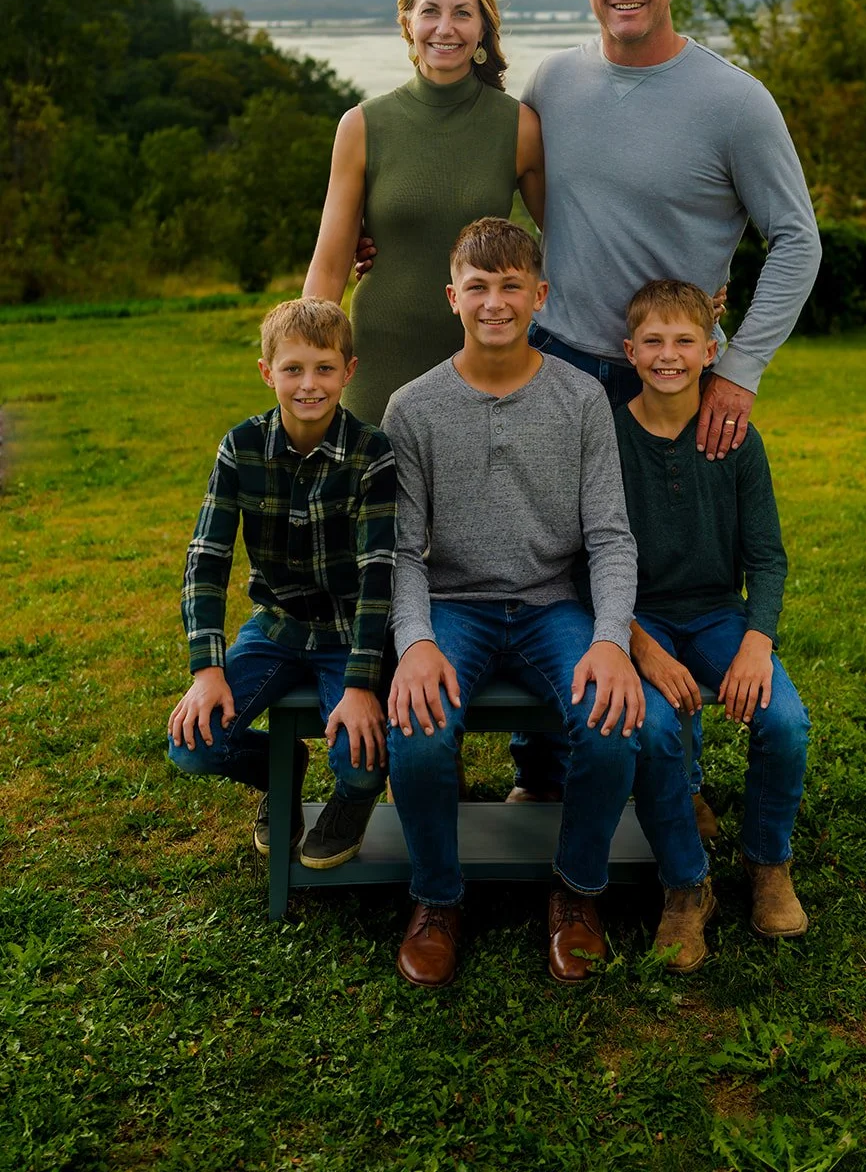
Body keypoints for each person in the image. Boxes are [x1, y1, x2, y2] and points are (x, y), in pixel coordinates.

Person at [511, 0, 821, 805]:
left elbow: (796, 239)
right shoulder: (553, 82)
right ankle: (547, 768)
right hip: (561, 365)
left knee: (673, 571)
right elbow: (495, 186)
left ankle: (671, 779)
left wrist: (742, 365)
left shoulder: (731, 100)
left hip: (676, 378)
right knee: (547, 571)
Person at [381, 218, 714, 987]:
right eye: (477, 287)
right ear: (451, 298)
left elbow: (609, 536)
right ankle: (436, 899)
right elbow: (400, 549)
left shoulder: (581, 398)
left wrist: (606, 639)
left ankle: (575, 890)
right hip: (453, 602)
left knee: (609, 719)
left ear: (539, 295)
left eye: (509, 288)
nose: (493, 303)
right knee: (420, 730)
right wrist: (417, 640)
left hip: (551, 603)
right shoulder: (413, 407)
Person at [167, 298, 396, 870]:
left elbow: (378, 575)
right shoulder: (240, 447)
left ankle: (350, 802)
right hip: (277, 628)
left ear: (349, 371)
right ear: (268, 372)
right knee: (194, 743)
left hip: (348, 635)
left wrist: (363, 683)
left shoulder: (372, 453)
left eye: (324, 368)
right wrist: (207, 670)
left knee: (365, 761)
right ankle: (282, 770)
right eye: (293, 369)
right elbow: (206, 559)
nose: (309, 385)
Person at [617, 278, 810, 938]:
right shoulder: (606, 440)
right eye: (652, 342)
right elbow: (583, 561)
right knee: (652, 731)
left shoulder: (735, 440)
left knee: (783, 722)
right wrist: (640, 646)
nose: (667, 355)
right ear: (629, 351)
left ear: (709, 352)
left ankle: (767, 865)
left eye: (683, 341)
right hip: (635, 617)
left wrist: (756, 642)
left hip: (717, 614)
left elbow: (768, 560)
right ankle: (685, 884)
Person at [303, 0, 545, 426]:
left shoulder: (518, 126)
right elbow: (330, 265)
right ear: (408, 23)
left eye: (462, 13)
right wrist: (305, 362)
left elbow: (566, 242)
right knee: (377, 499)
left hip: (484, 358)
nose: (445, 27)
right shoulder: (362, 125)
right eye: (430, 11)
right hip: (381, 358)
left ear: (482, 30)